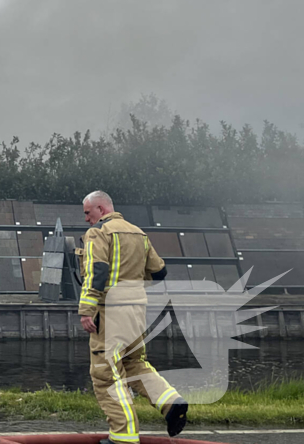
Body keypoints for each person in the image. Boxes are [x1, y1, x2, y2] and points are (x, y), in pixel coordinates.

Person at [79, 190, 188, 444]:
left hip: (109, 314)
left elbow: (97, 271)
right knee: (134, 365)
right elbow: (160, 271)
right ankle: (171, 403)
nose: (86, 219)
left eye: (88, 212)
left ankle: (123, 436)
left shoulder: (98, 233)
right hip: (137, 313)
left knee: (105, 374)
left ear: (101, 209)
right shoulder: (139, 233)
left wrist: (86, 310)